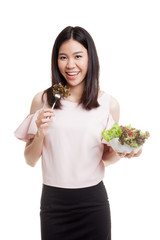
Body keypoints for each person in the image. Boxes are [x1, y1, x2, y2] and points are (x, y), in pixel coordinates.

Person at [14, 26, 142, 240]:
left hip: (93, 203)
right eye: (63, 57)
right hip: (54, 204)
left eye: (78, 56)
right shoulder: (43, 101)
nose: (70, 65)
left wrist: (122, 151)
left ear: (90, 59)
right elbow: (29, 160)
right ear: (56, 61)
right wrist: (40, 133)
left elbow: (105, 158)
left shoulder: (108, 104)